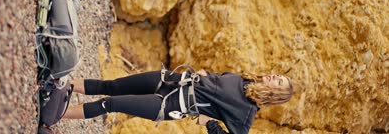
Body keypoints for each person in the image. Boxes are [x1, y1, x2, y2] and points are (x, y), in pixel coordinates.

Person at [62, 66, 293, 134]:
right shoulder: (244, 80)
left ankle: (56, 113)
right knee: (110, 86)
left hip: (170, 105)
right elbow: (216, 80)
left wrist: (210, 124)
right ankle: (62, 85)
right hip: (171, 79)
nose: (274, 76)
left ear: (277, 95)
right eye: (279, 76)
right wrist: (205, 74)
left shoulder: (245, 116)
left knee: (110, 104)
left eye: (279, 82)